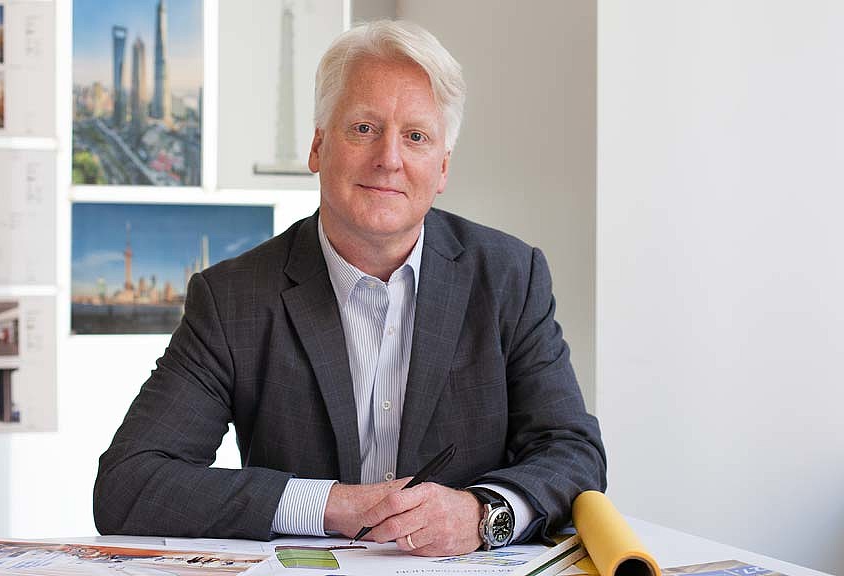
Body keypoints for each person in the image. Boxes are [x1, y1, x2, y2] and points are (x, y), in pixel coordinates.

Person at [94, 20, 605, 557]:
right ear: (318, 147)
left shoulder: (509, 277)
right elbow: (129, 483)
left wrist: (483, 514)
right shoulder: (234, 298)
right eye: (363, 128)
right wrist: (330, 505)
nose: (389, 158)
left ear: (442, 168)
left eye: (416, 136)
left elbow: (572, 451)